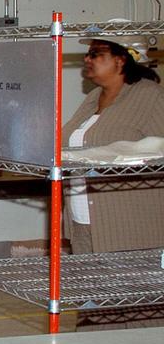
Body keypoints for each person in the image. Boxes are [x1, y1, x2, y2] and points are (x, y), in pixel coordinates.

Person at [63, 35, 164, 254]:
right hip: (82, 220)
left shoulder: (150, 96)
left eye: (95, 54)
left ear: (121, 60)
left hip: (129, 225)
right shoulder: (93, 97)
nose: (87, 59)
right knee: (86, 287)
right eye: (87, 54)